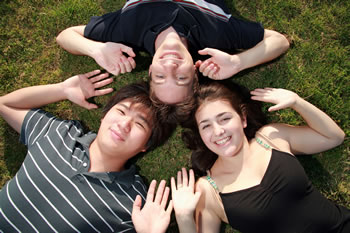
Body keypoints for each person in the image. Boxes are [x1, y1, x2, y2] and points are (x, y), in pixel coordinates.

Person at [0, 70, 174, 232]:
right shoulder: (62, 134)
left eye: (139, 124)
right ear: (104, 114)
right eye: (121, 111)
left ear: (146, 145)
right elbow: (6, 105)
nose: (124, 124)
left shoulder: (132, 203)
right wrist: (63, 89)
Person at [170, 81, 349, 233]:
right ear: (200, 135)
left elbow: (333, 137)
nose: (218, 131)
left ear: (243, 119)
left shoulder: (271, 138)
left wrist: (297, 102)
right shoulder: (209, 190)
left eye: (224, 119)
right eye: (206, 126)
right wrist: (184, 217)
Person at [56, 0, 290, 105]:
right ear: (195, 69)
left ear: (149, 69)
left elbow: (65, 36)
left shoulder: (127, 32)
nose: (170, 67)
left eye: (160, 76)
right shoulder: (217, 34)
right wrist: (238, 62)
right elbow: (279, 41)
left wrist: (97, 49)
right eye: (181, 77)